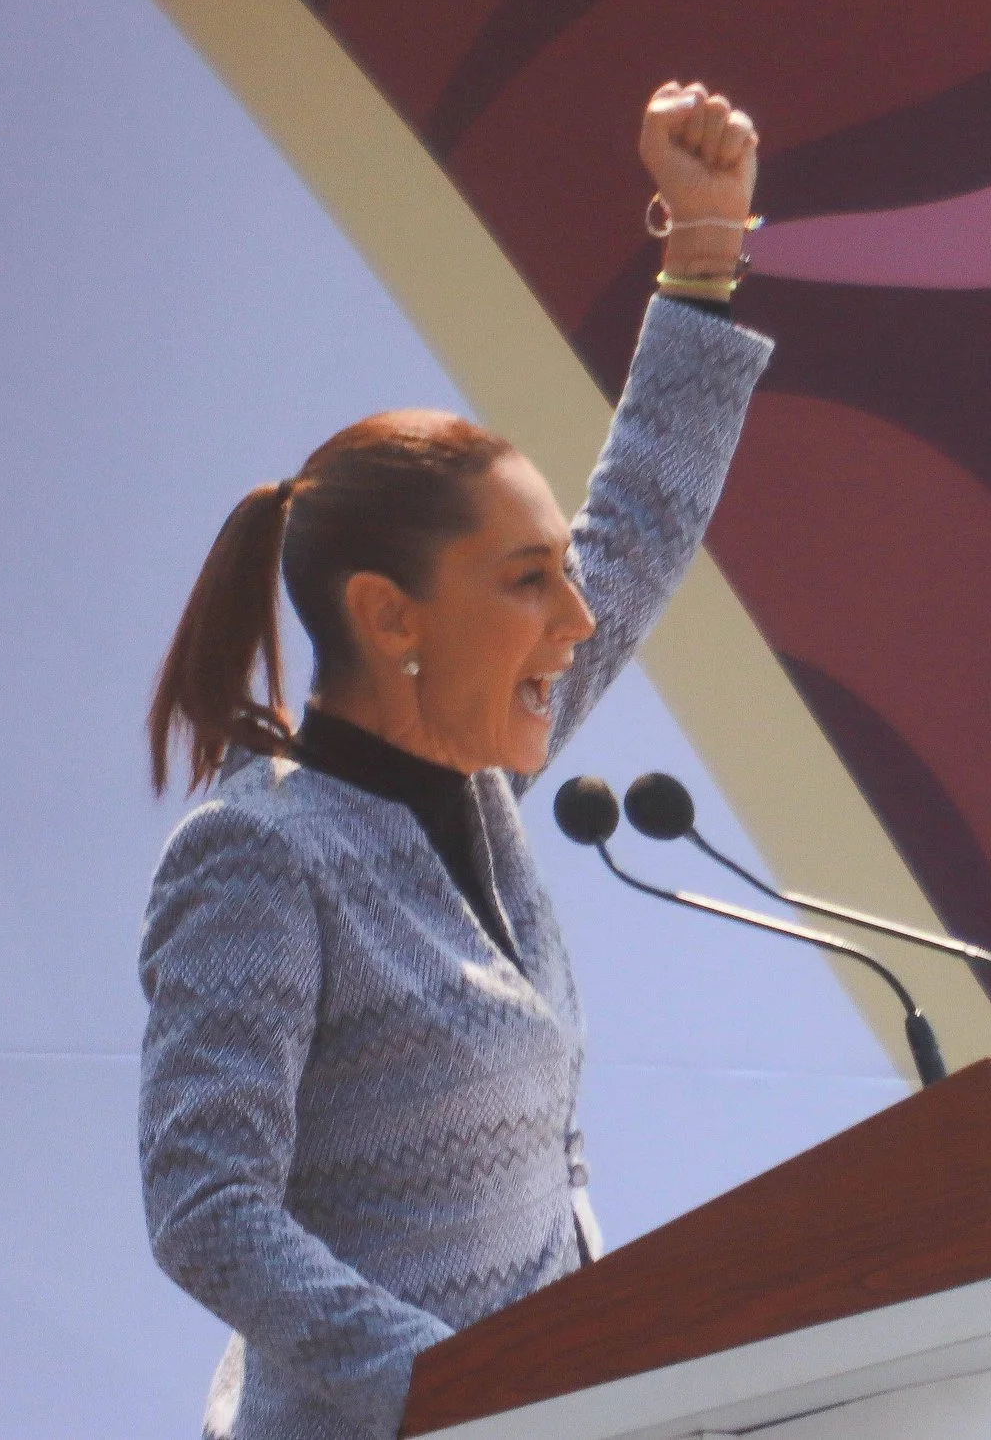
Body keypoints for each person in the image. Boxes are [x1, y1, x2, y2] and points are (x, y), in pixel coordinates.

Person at [138, 81, 770, 1440]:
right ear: (389, 616)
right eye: (528, 581)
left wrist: (704, 252)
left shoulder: (478, 791)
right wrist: (465, 1390)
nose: (578, 618)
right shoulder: (259, 851)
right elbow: (206, 1206)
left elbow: (641, 528)